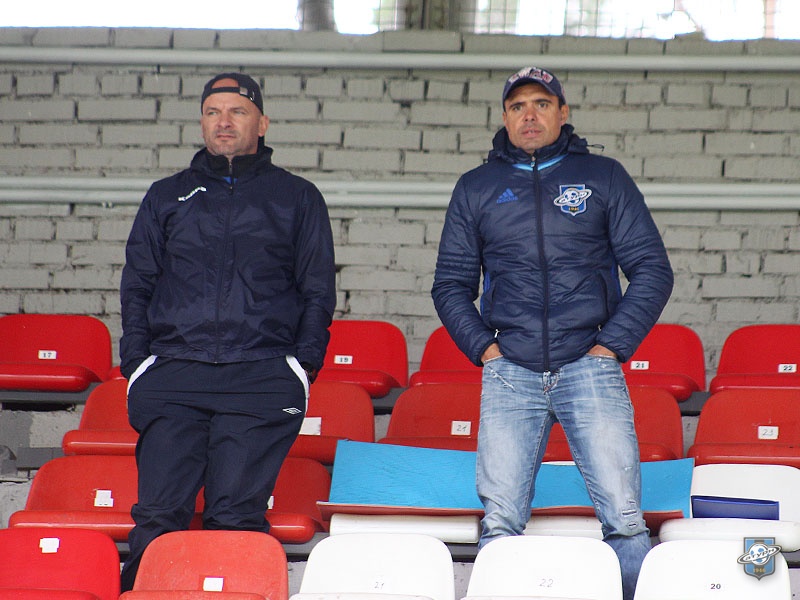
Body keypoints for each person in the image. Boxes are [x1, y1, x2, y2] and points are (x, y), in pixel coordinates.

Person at [431, 66, 673, 600]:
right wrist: (486, 350)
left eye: (541, 103)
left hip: (589, 365)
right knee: (500, 523)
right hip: (510, 372)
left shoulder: (603, 177)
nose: (530, 115)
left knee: (624, 518)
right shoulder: (476, 187)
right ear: (504, 117)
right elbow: (449, 285)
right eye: (518, 106)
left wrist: (610, 347)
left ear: (563, 112)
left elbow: (653, 270)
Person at [118, 72, 336, 591]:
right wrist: (138, 364)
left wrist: (301, 366)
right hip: (175, 371)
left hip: (260, 376)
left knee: (235, 517)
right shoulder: (167, 196)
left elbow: (317, 291)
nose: (224, 121)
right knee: (159, 516)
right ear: (201, 122)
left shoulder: (297, 197)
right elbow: (137, 285)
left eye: (237, 111)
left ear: (262, 123)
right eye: (213, 112)